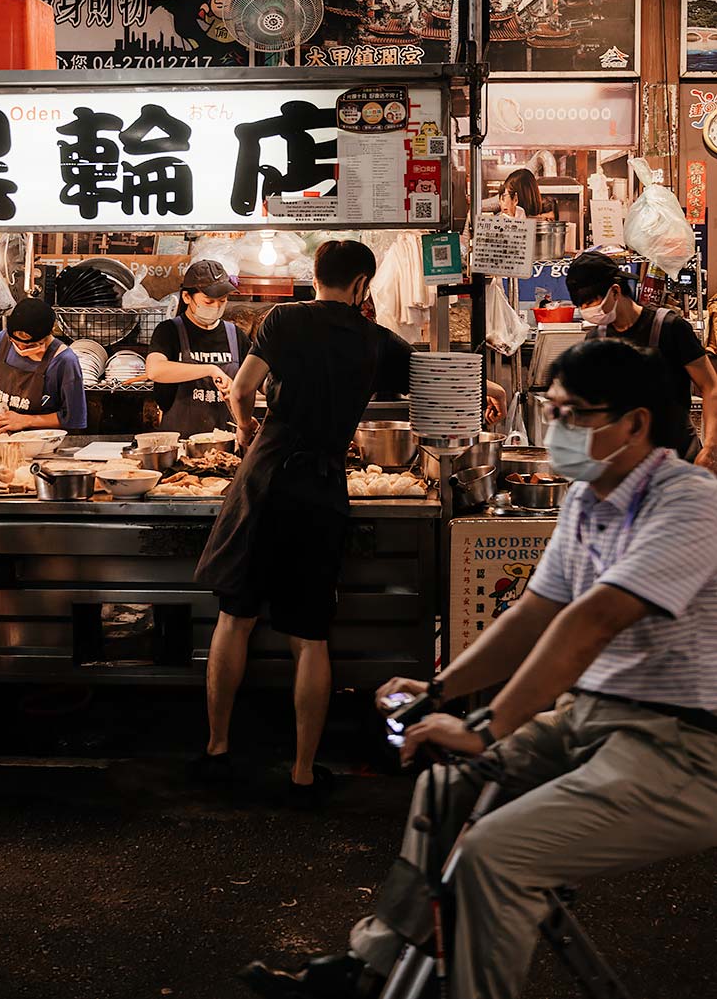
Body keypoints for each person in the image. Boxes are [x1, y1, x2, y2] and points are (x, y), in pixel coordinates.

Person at [241, 339, 717, 999]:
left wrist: (488, 726)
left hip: (684, 747)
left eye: (575, 414)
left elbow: (590, 620)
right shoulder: (585, 499)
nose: (558, 430)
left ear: (636, 423)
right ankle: (370, 969)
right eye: (551, 411)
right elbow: (531, 614)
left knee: (496, 854)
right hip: (589, 718)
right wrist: (440, 690)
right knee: (443, 790)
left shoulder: (690, 500)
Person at [193, 241, 413, 805]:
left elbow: (241, 391)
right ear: (363, 285)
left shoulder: (284, 319)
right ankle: (303, 772)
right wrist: (489, 392)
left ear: (315, 276)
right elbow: (436, 382)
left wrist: (245, 431)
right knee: (310, 634)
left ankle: (217, 749)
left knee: (235, 616)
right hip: (322, 484)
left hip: (266, 476)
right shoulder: (376, 340)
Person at [566, 249, 717, 473]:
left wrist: (711, 447)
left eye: (590, 302)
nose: (587, 310)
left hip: (677, 460)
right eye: (581, 305)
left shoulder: (669, 328)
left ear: (615, 291)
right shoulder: (596, 339)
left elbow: (711, 386)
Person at [146, 260, 251, 437]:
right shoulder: (169, 331)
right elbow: (154, 370)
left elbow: (256, 381)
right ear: (187, 297)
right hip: (180, 445)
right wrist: (210, 370)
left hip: (226, 442)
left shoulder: (235, 335)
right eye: (209, 301)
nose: (217, 307)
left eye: (222, 301)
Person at [0, 297, 87, 436]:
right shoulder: (1, 341)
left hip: (44, 443)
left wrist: (25, 420)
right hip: (3, 439)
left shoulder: (64, 360)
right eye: (15, 342)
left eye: (29, 346)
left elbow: (73, 418)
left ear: (48, 335)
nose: (20, 348)